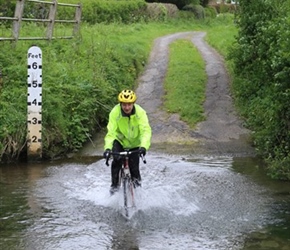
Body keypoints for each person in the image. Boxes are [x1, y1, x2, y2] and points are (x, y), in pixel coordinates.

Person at [103, 89, 152, 195]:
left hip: (135, 144)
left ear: (133, 103)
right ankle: (114, 186)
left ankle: (138, 194)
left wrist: (143, 146)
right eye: (124, 105)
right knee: (116, 161)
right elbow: (110, 133)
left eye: (129, 104)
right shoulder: (115, 112)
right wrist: (107, 148)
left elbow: (145, 131)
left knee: (135, 170)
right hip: (119, 141)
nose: (126, 107)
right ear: (120, 104)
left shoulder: (140, 113)